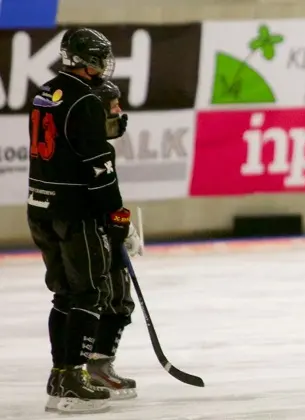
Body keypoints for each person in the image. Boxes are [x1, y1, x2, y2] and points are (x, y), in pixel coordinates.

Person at [28, 27, 130, 414]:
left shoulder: (45, 92)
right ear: (86, 60)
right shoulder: (86, 99)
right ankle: (72, 376)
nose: (104, 64)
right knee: (89, 293)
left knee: (64, 295)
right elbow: (98, 166)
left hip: (40, 206)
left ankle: (60, 374)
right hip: (75, 210)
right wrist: (116, 213)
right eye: (100, 57)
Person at [86, 80, 140, 399]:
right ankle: (94, 368)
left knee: (103, 298)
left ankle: (83, 367)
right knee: (114, 298)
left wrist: (121, 220)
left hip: (89, 230)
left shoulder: (88, 143)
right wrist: (119, 223)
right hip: (91, 234)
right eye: (113, 104)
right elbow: (101, 199)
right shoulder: (93, 147)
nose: (119, 110)